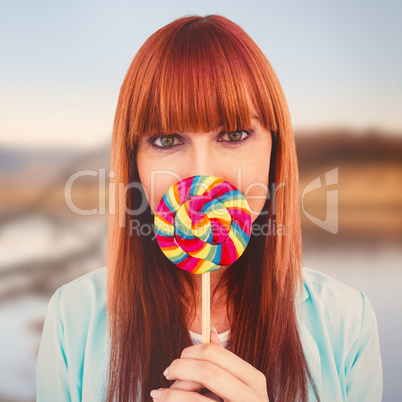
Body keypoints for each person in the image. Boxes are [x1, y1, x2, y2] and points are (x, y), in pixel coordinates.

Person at [36, 14, 383, 401]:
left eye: (234, 134)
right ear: (134, 161)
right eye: (167, 139)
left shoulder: (347, 321)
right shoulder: (73, 318)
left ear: (275, 149)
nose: (202, 174)